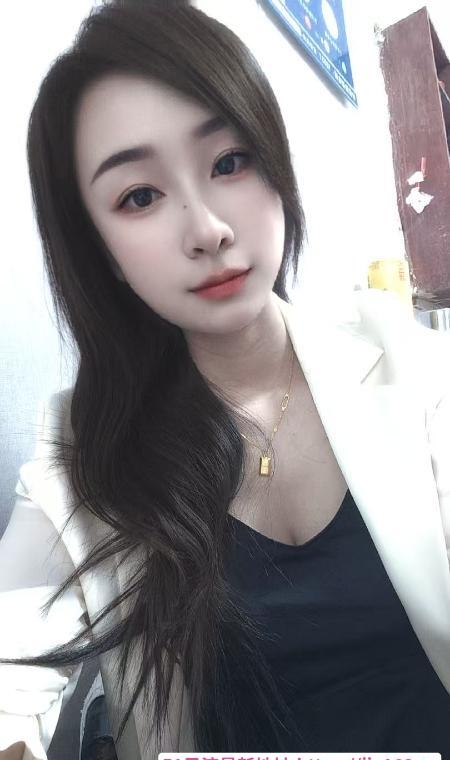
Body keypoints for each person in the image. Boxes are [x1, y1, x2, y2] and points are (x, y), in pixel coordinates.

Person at [0, 1, 449, 758]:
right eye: (140, 196)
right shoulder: (83, 444)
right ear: (102, 251)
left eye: (229, 162)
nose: (208, 229)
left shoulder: (408, 364)